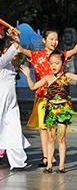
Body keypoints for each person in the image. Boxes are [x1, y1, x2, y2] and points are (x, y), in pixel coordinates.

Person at [17, 28, 77, 168]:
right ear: (44, 40)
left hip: (60, 100)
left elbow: (74, 51)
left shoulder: (60, 55)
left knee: (58, 132)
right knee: (44, 128)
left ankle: (53, 158)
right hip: (42, 97)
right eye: (51, 39)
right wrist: (16, 40)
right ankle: (46, 157)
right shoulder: (37, 55)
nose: (54, 42)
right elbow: (21, 50)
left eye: (56, 39)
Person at [0, 33, 31, 171]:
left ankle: (17, 162)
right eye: (9, 48)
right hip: (1, 101)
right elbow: (8, 56)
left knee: (14, 130)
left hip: (11, 103)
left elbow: (19, 51)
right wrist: (15, 43)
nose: (14, 53)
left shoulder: (11, 66)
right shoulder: (1, 62)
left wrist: (17, 43)